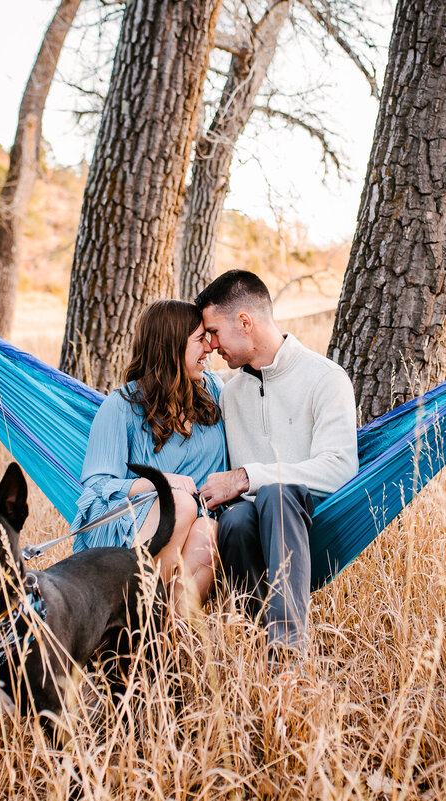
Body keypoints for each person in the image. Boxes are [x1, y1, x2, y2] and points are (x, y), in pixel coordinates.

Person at [195, 270, 358, 663]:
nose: (212, 345)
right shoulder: (229, 394)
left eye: (214, 332)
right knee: (234, 521)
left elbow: (340, 469)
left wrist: (249, 477)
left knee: (277, 494)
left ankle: (288, 653)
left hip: (313, 522)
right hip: (248, 528)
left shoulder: (325, 379)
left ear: (245, 322)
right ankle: (257, 645)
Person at [70, 300, 224, 612]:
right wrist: (159, 483)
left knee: (210, 531)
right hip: (133, 527)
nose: (210, 348)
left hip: (200, 521)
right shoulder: (121, 406)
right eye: (200, 339)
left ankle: (163, 636)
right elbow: (97, 487)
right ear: (171, 346)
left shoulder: (214, 392)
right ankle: (132, 613)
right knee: (178, 502)